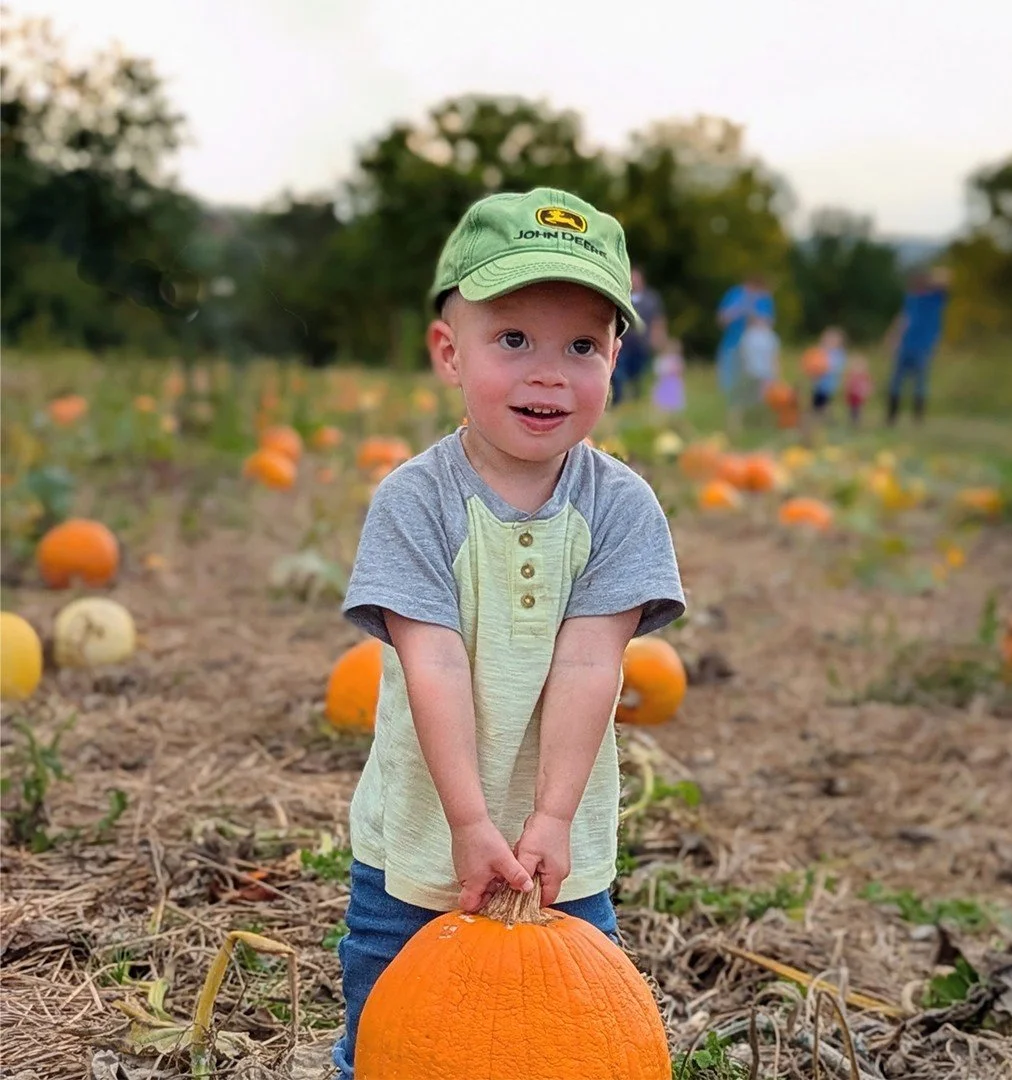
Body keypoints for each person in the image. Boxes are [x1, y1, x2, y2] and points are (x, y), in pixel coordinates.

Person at [332, 187, 686, 1079]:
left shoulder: (621, 507)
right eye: (514, 340)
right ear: (450, 352)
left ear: (615, 358)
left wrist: (553, 815)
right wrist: (467, 820)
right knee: (390, 1037)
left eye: (581, 346)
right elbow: (434, 659)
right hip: (420, 837)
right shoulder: (416, 501)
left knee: (572, 1041)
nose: (548, 373)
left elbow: (590, 659)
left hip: (559, 853)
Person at [885, 266, 951, 424]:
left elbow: (945, 278)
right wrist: (893, 338)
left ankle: (918, 418)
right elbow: (904, 318)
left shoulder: (935, 299)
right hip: (905, 345)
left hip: (923, 347)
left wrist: (931, 278)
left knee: (920, 384)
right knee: (895, 382)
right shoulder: (911, 298)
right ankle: (891, 417)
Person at [612, 265, 666, 405]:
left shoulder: (651, 299)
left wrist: (658, 339)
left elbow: (657, 320)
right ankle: (619, 401)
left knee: (639, 376)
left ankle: (637, 400)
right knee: (619, 374)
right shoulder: (621, 295)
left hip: (642, 344)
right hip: (623, 342)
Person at [715, 274, 775, 397]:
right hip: (731, 346)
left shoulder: (764, 298)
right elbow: (721, 320)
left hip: (755, 350)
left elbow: (768, 324)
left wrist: (752, 314)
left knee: (756, 388)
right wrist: (737, 310)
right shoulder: (734, 294)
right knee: (730, 386)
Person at [809, 327, 847, 415]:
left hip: (829, 384)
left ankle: (825, 416)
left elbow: (837, 368)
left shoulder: (839, 354)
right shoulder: (820, 351)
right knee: (816, 400)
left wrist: (825, 367)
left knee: (826, 401)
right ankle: (817, 415)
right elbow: (813, 364)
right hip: (818, 383)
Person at [650, 337, 686, 414]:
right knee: (662, 400)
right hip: (664, 383)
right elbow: (658, 371)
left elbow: (680, 371)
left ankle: (671, 413)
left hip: (673, 383)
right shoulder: (662, 359)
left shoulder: (677, 360)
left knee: (672, 399)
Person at [845, 353, 873, 426]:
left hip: (860, 396)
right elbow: (848, 384)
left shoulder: (865, 376)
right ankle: (852, 421)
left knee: (858, 408)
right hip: (852, 395)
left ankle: (857, 421)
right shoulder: (852, 375)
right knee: (852, 408)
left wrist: (867, 391)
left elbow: (868, 385)